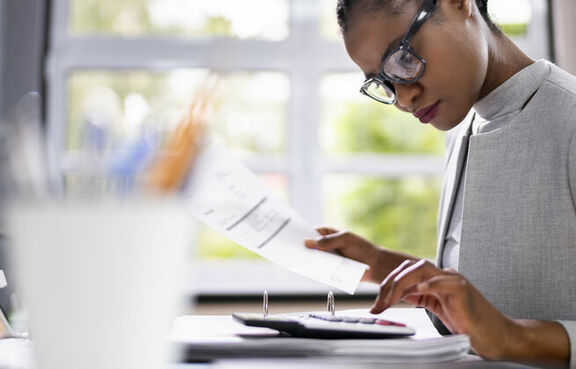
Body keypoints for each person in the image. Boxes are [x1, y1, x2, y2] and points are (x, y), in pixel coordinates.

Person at [304, 0, 576, 367]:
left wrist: (514, 337)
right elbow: (487, 286)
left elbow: (500, 326)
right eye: (383, 82)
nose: (402, 98)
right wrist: (379, 262)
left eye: (401, 59)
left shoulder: (569, 120)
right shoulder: (462, 124)